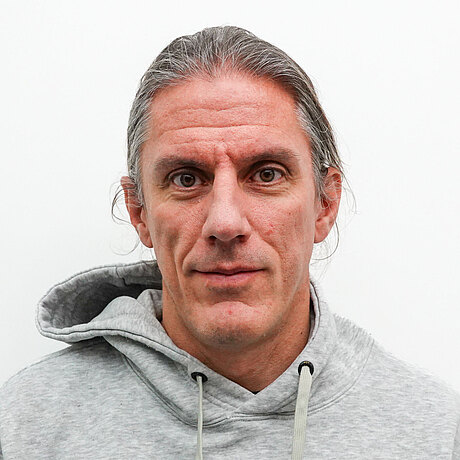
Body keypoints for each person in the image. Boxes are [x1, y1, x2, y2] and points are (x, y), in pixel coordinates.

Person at [0, 26, 458, 460]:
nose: (224, 222)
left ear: (325, 204)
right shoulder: (25, 427)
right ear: (139, 212)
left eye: (266, 174)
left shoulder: (435, 433)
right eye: (186, 178)